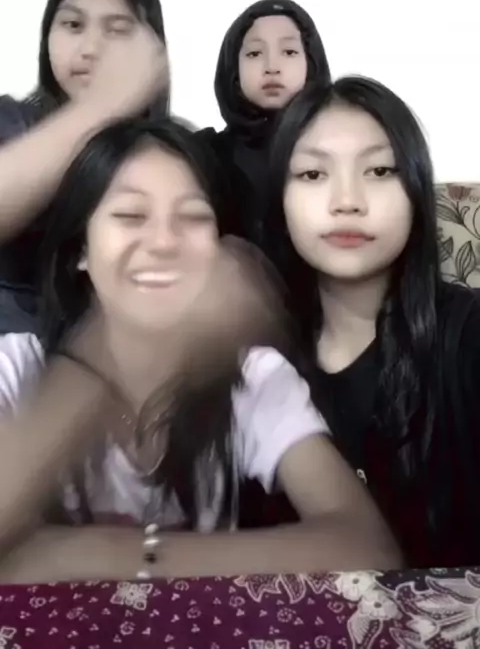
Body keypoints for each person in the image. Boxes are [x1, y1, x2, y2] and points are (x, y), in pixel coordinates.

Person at [0, 117, 400, 583]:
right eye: (130, 216)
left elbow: (370, 548)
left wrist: (90, 555)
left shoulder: (251, 374)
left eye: (193, 217)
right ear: (80, 252)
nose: (165, 242)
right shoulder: (16, 368)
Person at [266, 76, 480, 567]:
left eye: (380, 170)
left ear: (416, 191)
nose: (347, 201)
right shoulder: (257, 359)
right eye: (313, 174)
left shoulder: (465, 335)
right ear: (280, 199)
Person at [0, 0, 169, 335]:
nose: (90, 48)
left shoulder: (171, 151)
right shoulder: (11, 121)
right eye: (73, 25)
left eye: (117, 29)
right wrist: (104, 105)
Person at [198, 0, 330, 247]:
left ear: (311, 64)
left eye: (289, 52)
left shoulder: (336, 149)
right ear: (234, 71)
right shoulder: (203, 154)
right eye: (254, 53)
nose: (272, 67)